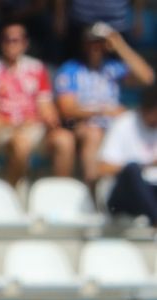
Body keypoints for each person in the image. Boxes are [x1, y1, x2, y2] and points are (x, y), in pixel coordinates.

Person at [54, 23, 154, 188]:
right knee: (94, 133)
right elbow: (67, 109)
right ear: (84, 44)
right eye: (91, 42)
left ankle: (135, 188)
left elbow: (148, 78)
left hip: (116, 125)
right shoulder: (70, 69)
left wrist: (120, 46)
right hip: (83, 125)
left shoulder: (113, 68)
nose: (96, 47)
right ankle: (93, 188)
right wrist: (103, 111)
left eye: (100, 43)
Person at [0, 22, 75, 185]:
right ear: (1, 43)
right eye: (7, 40)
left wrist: (50, 119)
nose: (12, 44)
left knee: (65, 140)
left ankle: (60, 194)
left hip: (34, 127)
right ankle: (12, 191)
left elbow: (45, 105)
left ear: (25, 43)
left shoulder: (36, 68)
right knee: (20, 144)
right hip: (4, 129)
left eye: (16, 40)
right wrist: (16, 125)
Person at [97, 84, 157, 226]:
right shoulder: (124, 123)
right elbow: (103, 168)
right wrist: (147, 164)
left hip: (152, 190)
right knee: (132, 169)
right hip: (123, 195)